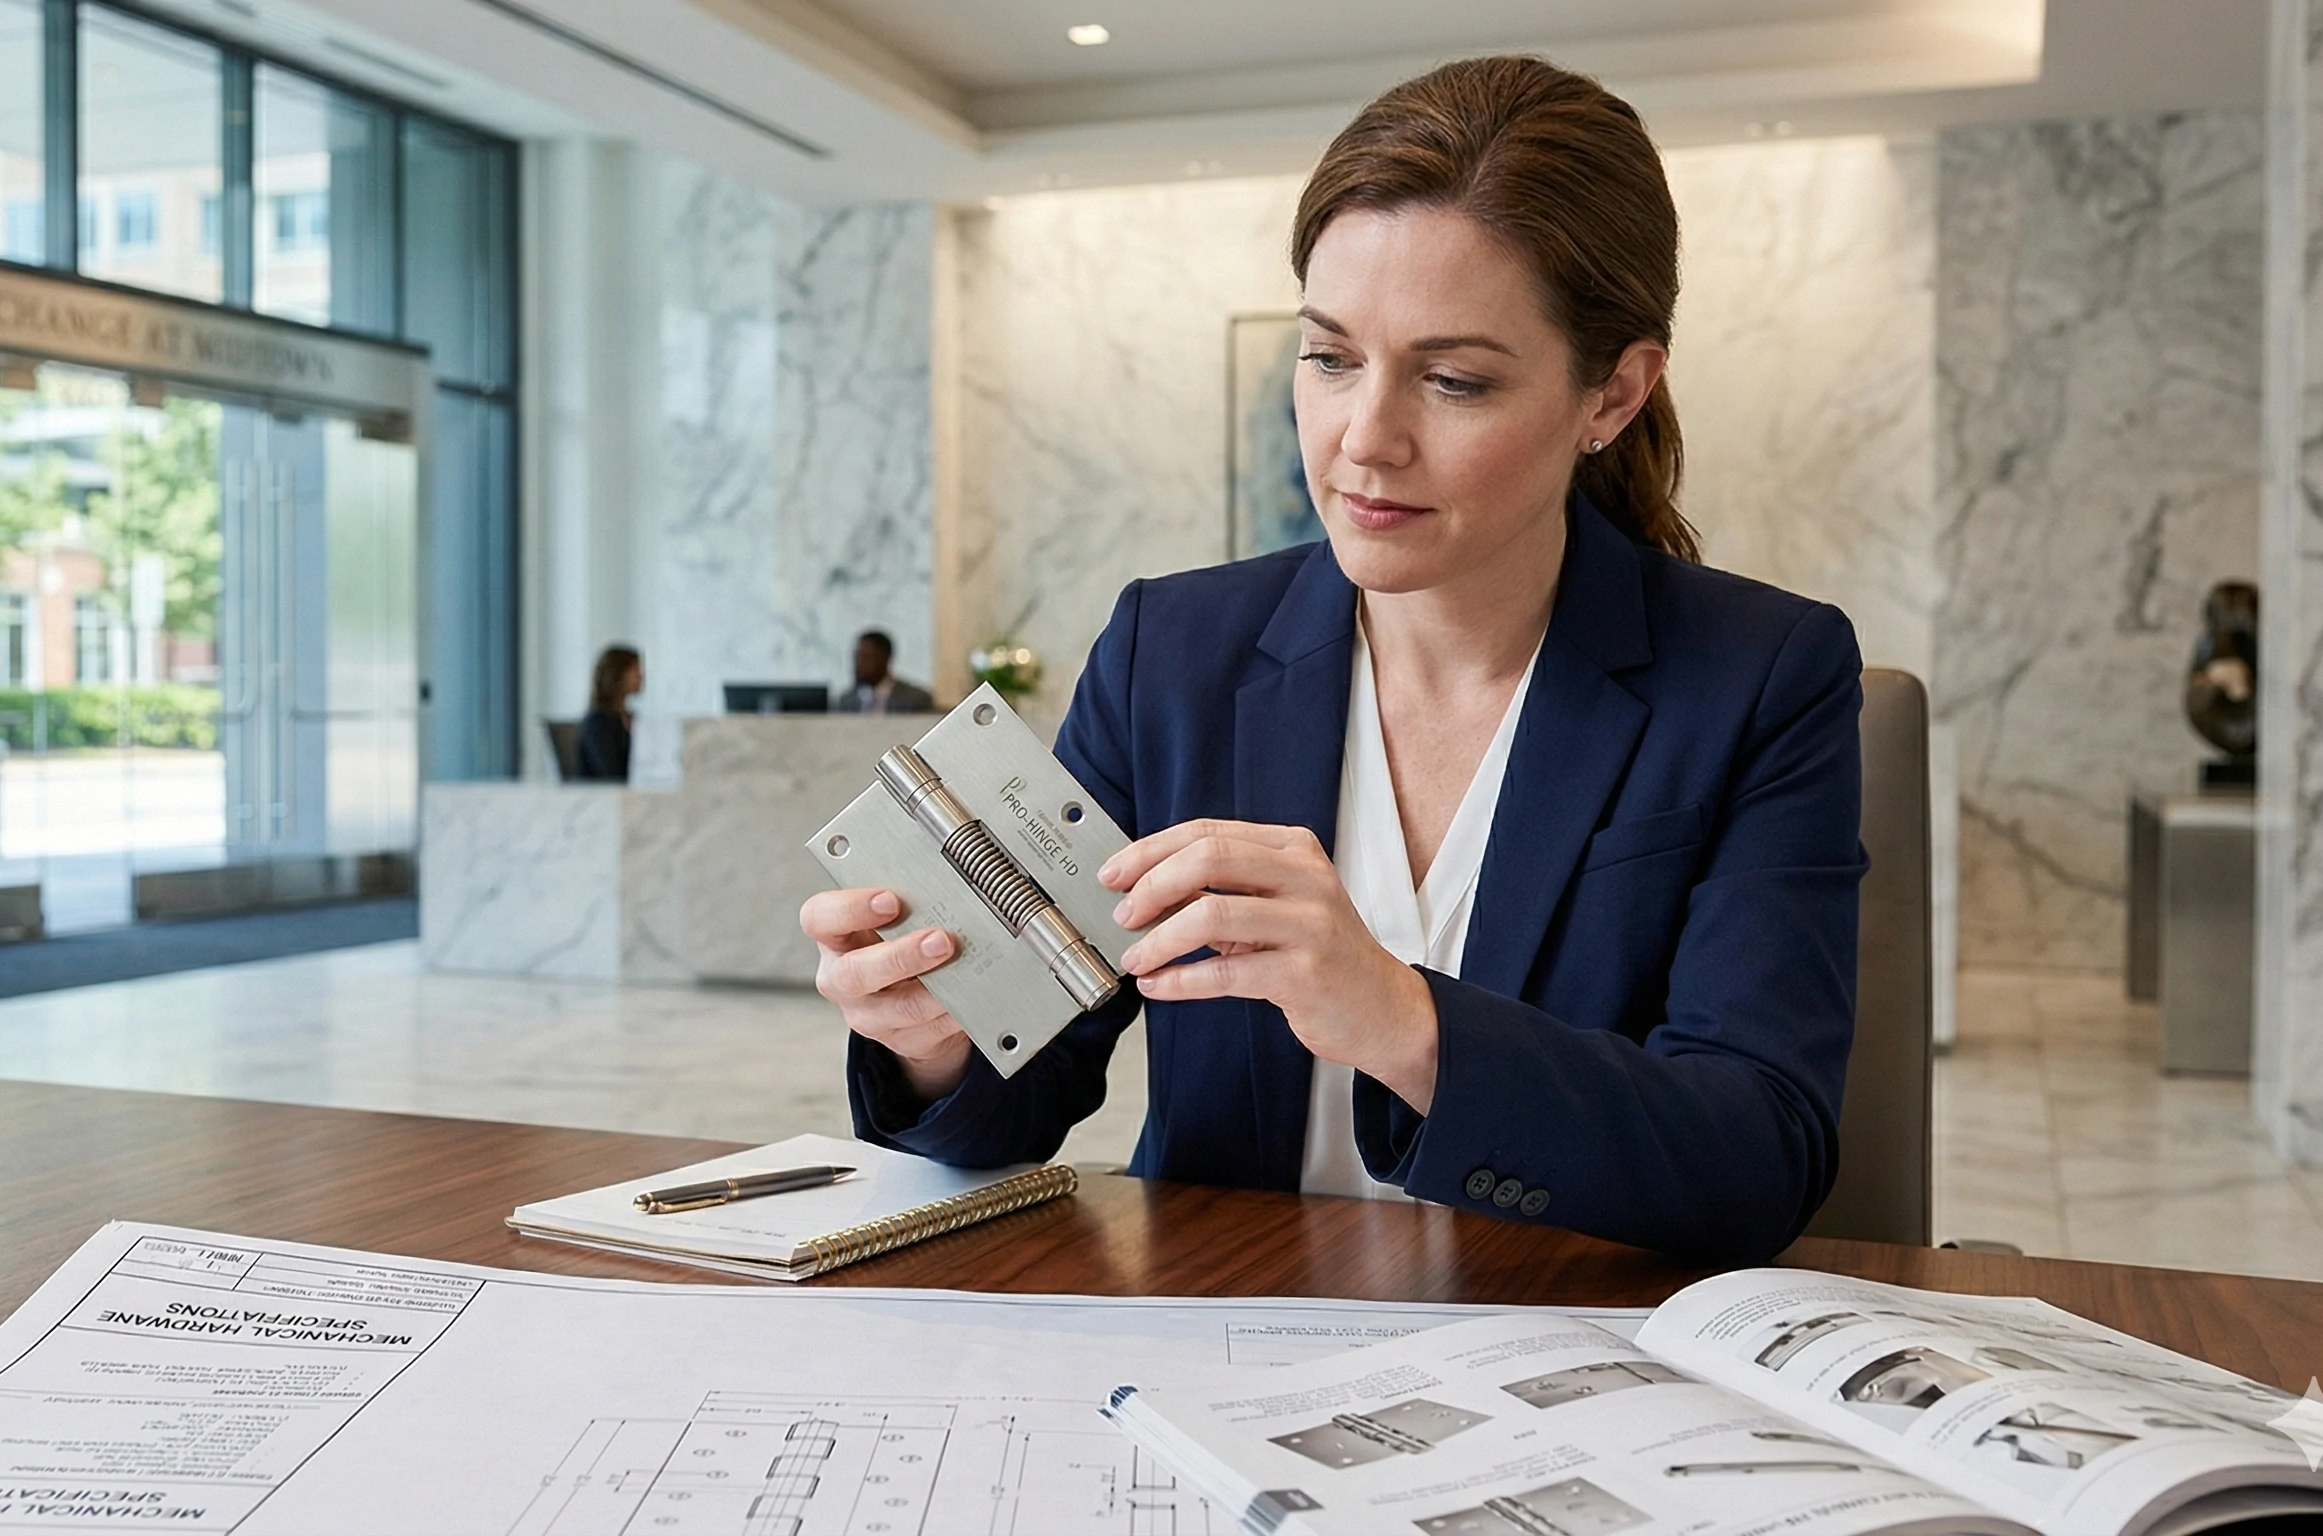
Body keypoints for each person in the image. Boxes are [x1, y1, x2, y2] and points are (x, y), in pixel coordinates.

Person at [799, 57, 1864, 1266]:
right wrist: (933, 1028)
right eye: (1328, 358)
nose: (1363, 442)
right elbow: (1015, 1111)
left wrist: (1401, 1019)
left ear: (1611, 393)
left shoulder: (1760, 676)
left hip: (1568, 1348)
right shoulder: (1170, 654)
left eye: (1453, 380)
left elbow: (1756, 1155)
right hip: (1214, 1344)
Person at [576, 645, 640, 782]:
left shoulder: (631, 718)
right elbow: (610, 774)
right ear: (617, 674)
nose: (641, 676)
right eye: (635, 670)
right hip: (605, 799)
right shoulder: (598, 723)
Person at [835, 630, 935, 714]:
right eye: (857, 658)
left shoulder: (915, 699)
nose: (859, 665)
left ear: (884, 659)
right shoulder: (846, 701)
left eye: (866, 658)